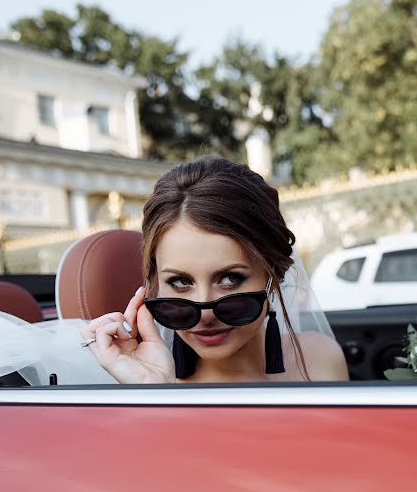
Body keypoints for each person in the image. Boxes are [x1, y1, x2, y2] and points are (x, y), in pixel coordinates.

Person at [80, 157, 348, 384]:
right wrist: (155, 391)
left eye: (230, 279)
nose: (205, 312)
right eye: (180, 281)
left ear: (274, 276)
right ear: (153, 284)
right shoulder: (150, 381)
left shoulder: (321, 358)